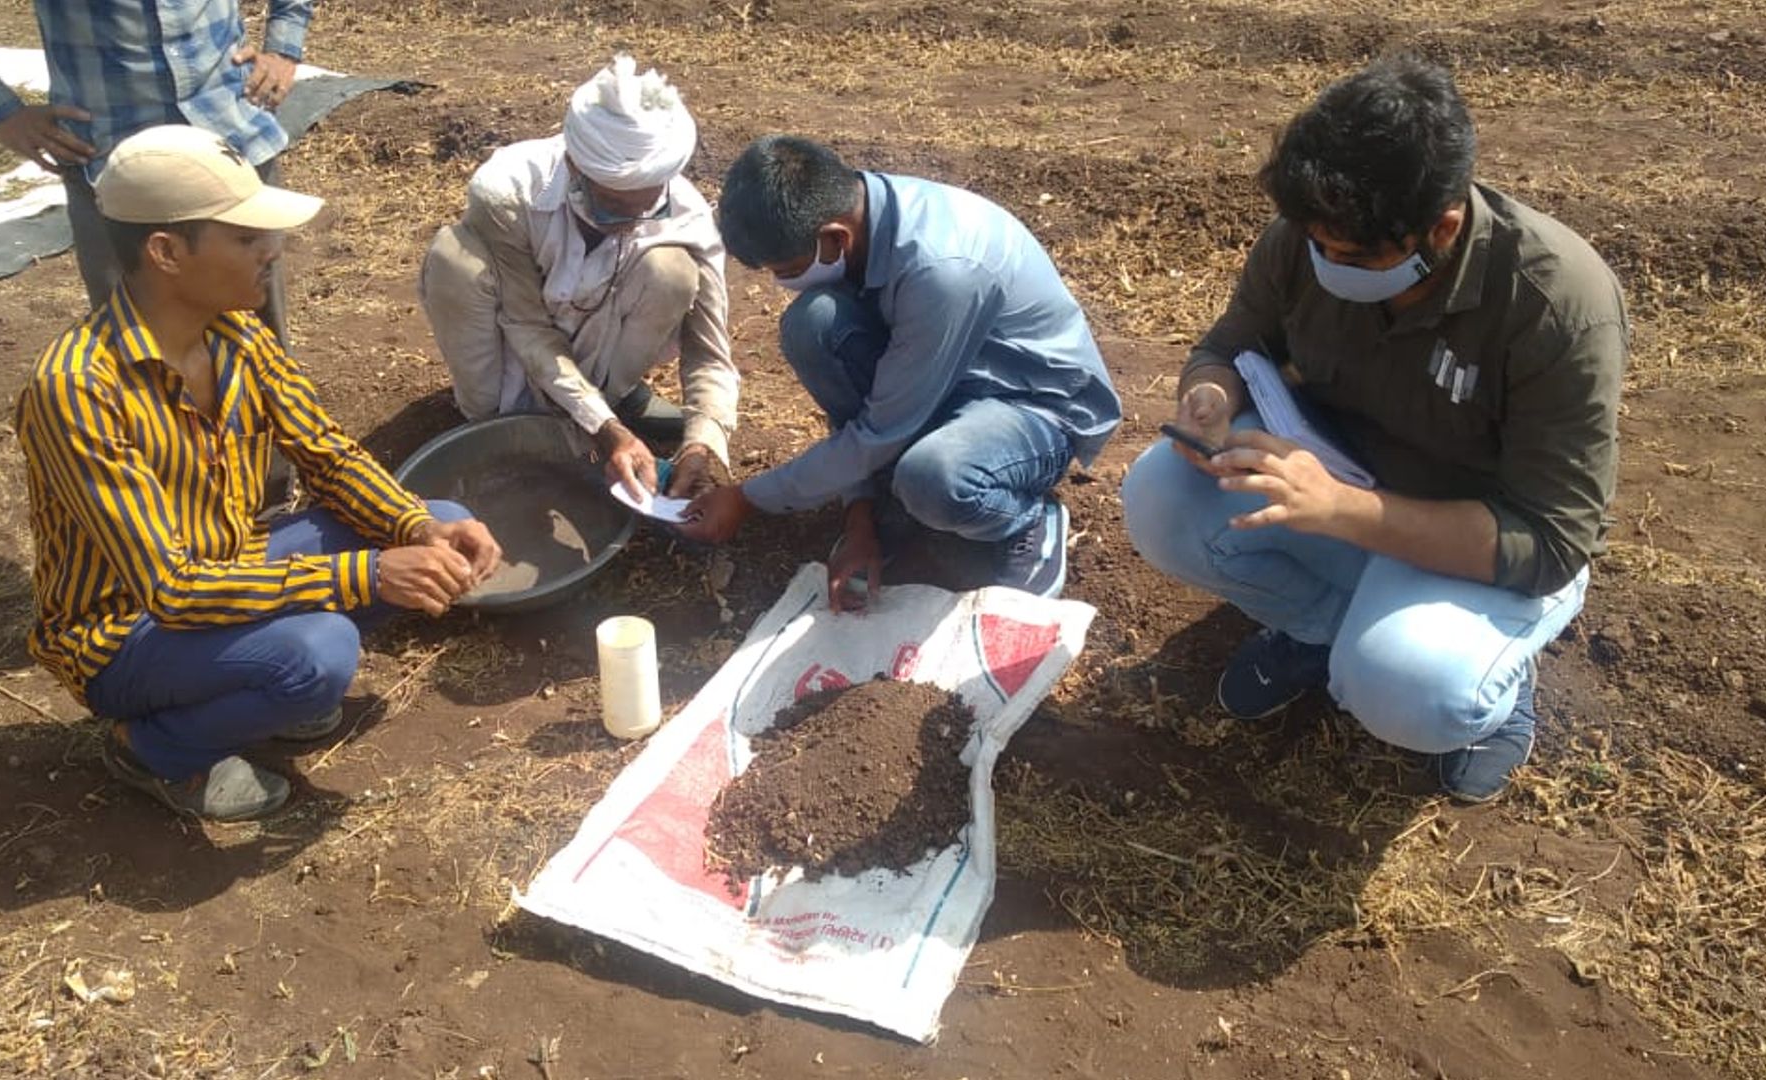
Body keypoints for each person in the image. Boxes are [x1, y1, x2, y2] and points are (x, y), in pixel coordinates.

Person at [1120, 53, 1627, 803]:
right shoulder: (1308, 237)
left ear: (1443, 226)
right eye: (1316, 243)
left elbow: (1550, 541)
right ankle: (1323, 638)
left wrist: (1343, 511)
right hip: (1343, 485)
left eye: (1350, 256)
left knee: (1412, 690)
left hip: (1468, 539)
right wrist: (1211, 395)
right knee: (1160, 495)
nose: (1325, 263)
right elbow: (1231, 344)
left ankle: (1494, 695)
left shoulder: (1553, 304)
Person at [14, 126, 503, 822]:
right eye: (245, 238)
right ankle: (151, 748)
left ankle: (257, 688)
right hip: (124, 632)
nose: (271, 251)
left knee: (443, 527)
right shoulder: (76, 389)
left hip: (229, 566)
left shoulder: (235, 337)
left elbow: (329, 455)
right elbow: (174, 591)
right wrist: (367, 574)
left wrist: (413, 524)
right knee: (319, 654)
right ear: (166, 253)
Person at [679, 135, 1121, 610]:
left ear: (835, 238)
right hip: (935, 376)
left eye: (786, 268)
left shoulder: (943, 269)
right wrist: (859, 517)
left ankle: (1026, 519)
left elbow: (877, 430)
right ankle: (892, 501)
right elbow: (865, 417)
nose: (782, 282)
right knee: (812, 325)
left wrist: (746, 498)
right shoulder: (861, 210)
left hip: (1031, 400)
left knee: (933, 478)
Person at [419, 55, 737, 501]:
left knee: (673, 272)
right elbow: (527, 325)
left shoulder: (687, 215)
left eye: (649, 207)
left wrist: (702, 445)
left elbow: (711, 356)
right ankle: (494, 430)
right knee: (455, 259)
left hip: (602, 356)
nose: (632, 222)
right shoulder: (507, 192)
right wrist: (602, 428)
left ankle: (616, 396)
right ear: (574, 168)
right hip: (515, 345)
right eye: (613, 206)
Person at [0, 0, 311, 334]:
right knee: (140, 357)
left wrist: (284, 46)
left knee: (260, 346)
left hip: (232, 129)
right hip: (111, 155)